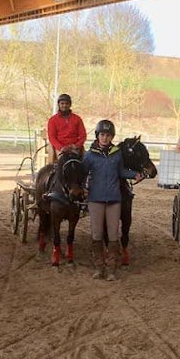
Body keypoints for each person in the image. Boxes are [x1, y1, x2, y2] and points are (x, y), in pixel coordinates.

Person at [82, 120, 141, 282]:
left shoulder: (117, 153)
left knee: (113, 234)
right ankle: (98, 267)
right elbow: (82, 173)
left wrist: (134, 174)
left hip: (114, 199)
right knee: (97, 234)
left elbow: (121, 171)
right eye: (102, 134)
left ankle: (111, 269)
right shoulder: (89, 155)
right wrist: (82, 188)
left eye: (108, 135)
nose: (105, 138)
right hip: (95, 199)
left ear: (112, 137)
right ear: (97, 135)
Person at [46, 93, 87, 163]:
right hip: (60, 148)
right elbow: (52, 137)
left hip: (74, 148)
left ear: (70, 105)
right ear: (59, 104)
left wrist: (76, 146)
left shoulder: (77, 119)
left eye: (66, 103)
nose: (64, 105)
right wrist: (61, 147)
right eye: (62, 103)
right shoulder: (53, 120)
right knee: (62, 162)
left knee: (82, 163)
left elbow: (83, 136)